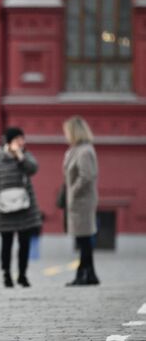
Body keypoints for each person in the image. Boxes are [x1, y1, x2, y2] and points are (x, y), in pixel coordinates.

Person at [0, 127, 42, 288]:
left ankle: (22, 275)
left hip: (24, 209)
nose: (22, 142)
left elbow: (33, 169)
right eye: (18, 139)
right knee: (6, 243)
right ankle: (6, 274)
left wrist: (20, 157)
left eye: (23, 139)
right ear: (9, 142)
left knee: (24, 243)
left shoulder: (25, 157)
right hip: (4, 209)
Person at [62, 115, 100, 286]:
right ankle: (90, 274)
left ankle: (82, 274)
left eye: (68, 131)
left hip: (82, 201)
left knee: (84, 239)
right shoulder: (74, 150)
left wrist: (75, 192)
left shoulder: (85, 151)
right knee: (82, 239)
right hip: (76, 201)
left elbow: (87, 176)